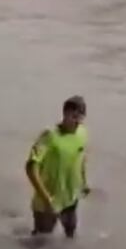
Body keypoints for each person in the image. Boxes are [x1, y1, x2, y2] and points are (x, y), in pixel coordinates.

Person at [26, 96, 89, 238]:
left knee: (71, 236)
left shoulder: (82, 132)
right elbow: (31, 168)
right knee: (41, 243)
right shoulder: (49, 136)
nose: (77, 122)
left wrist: (84, 183)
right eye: (73, 117)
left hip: (70, 199)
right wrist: (46, 199)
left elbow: (81, 157)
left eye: (80, 118)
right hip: (48, 203)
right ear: (65, 114)